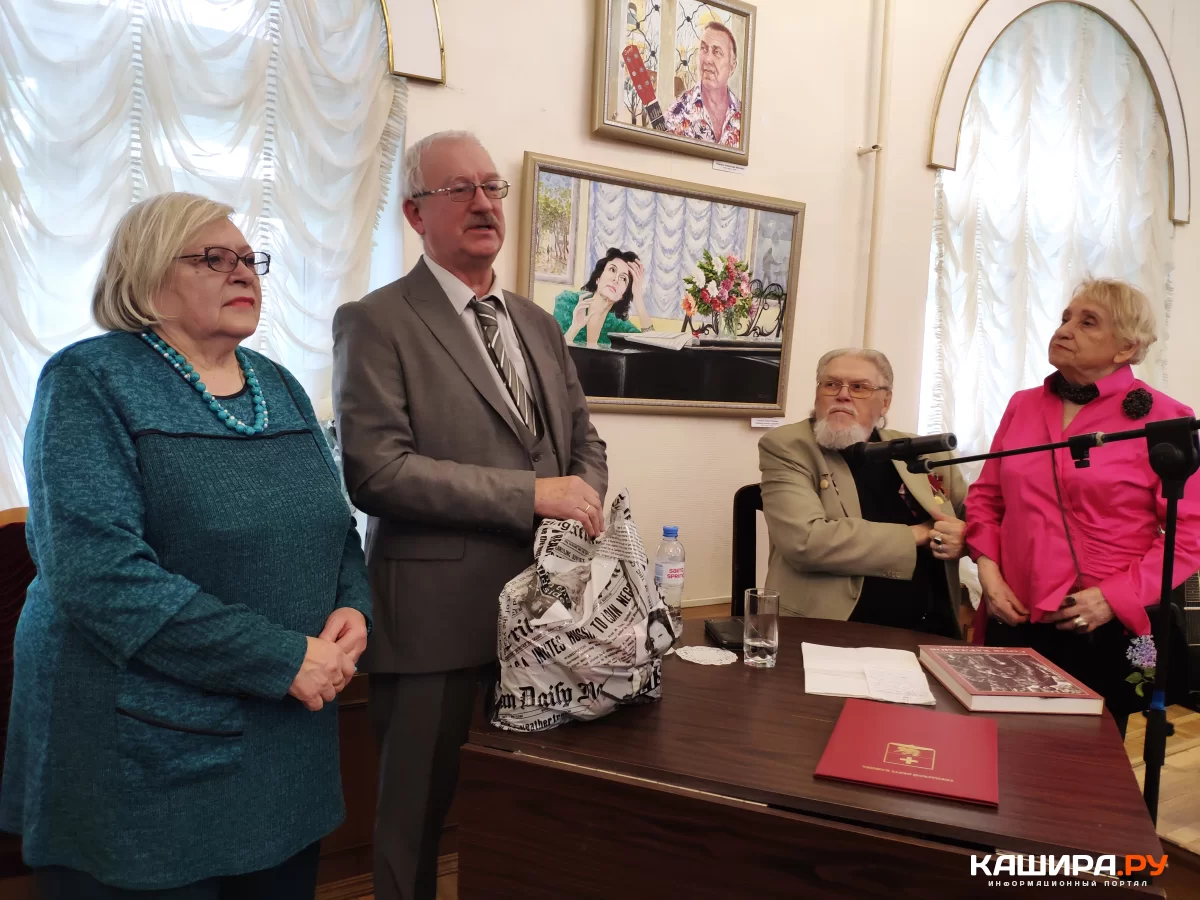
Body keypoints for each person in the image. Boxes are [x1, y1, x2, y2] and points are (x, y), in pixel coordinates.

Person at [0, 192, 371, 898]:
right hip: (143, 762)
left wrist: (354, 608)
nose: (243, 272)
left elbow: (333, 527)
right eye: (213, 258)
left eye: (250, 259)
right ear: (145, 275)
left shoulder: (280, 385)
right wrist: (279, 657)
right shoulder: (89, 379)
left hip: (286, 748)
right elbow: (98, 575)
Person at [331, 130, 608, 900]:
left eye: (492, 187)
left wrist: (578, 502)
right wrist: (532, 495)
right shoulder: (375, 320)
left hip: (552, 620)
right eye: (460, 190)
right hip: (436, 623)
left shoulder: (538, 322)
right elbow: (377, 471)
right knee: (413, 826)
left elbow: (583, 441)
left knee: (530, 817)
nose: (484, 203)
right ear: (415, 214)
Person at [965, 279, 1200, 733]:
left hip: (1099, 623)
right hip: (1011, 610)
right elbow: (986, 498)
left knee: (1082, 762)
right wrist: (989, 577)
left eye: (1088, 322)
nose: (1065, 330)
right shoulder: (1022, 405)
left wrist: (1112, 599)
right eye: (1065, 318)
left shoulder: (1167, 418)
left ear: (1126, 347)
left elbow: (1189, 535)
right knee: (998, 750)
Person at [759, 348, 968, 637]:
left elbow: (974, 516)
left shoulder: (924, 451)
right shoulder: (787, 446)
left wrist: (965, 537)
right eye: (831, 384)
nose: (843, 395)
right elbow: (805, 541)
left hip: (931, 625)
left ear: (885, 402)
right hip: (832, 627)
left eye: (859, 387)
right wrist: (920, 533)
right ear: (817, 394)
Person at [553, 248, 654, 347]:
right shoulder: (568, 301)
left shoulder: (616, 324)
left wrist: (638, 298)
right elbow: (554, 353)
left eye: (623, 278)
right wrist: (575, 327)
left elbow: (651, 348)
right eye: (612, 270)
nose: (616, 279)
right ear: (598, 278)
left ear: (622, 295)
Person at [664, 21, 742, 147]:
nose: (707, 59)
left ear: (732, 67)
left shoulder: (744, 117)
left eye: (717, 52)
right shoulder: (676, 114)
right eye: (704, 49)